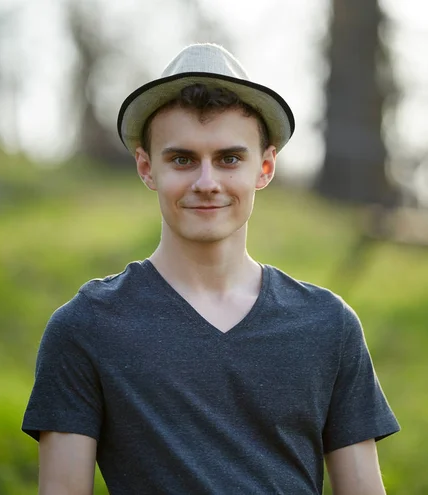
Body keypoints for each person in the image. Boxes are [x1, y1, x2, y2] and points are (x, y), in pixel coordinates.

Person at [22, 43, 400, 494]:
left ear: (265, 166)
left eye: (229, 158)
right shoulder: (86, 327)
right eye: (182, 159)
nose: (207, 183)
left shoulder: (329, 326)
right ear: (146, 168)